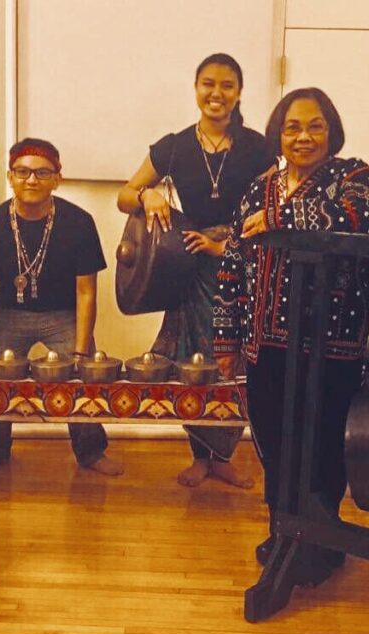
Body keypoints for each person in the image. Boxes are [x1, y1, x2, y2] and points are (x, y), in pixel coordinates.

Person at [213, 87, 369, 569]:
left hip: (331, 345)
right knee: (274, 441)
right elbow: (232, 260)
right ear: (278, 134)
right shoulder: (258, 186)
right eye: (292, 127)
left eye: (314, 126)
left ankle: (322, 546)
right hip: (264, 344)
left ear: (331, 131)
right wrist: (226, 337)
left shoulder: (354, 177)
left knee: (325, 443)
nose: (303, 137)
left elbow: (360, 221)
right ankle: (283, 533)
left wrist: (279, 219)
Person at [117, 53, 276, 489]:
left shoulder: (259, 146)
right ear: (196, 89)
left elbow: (273, 209)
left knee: (236, 359)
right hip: (193, 269)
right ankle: (200, 456)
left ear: (239, 93)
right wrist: (147, 196)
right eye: (209, 83)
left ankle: (223, 455)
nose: (217, 93)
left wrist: (225, 244)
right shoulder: (175, 145)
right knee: (194, 356)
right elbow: (124, 194)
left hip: (245, 264)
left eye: (227, 85)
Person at [0, 138, 123, 475]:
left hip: (62, 315)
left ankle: (90, 452)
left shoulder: (79, 222)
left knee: (83, 379)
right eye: (23, 171)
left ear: (57, 178)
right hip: (10, 313)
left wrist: (80, 352)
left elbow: (86, 292)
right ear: (10, 176)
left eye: (42, 172)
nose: (31, 180)